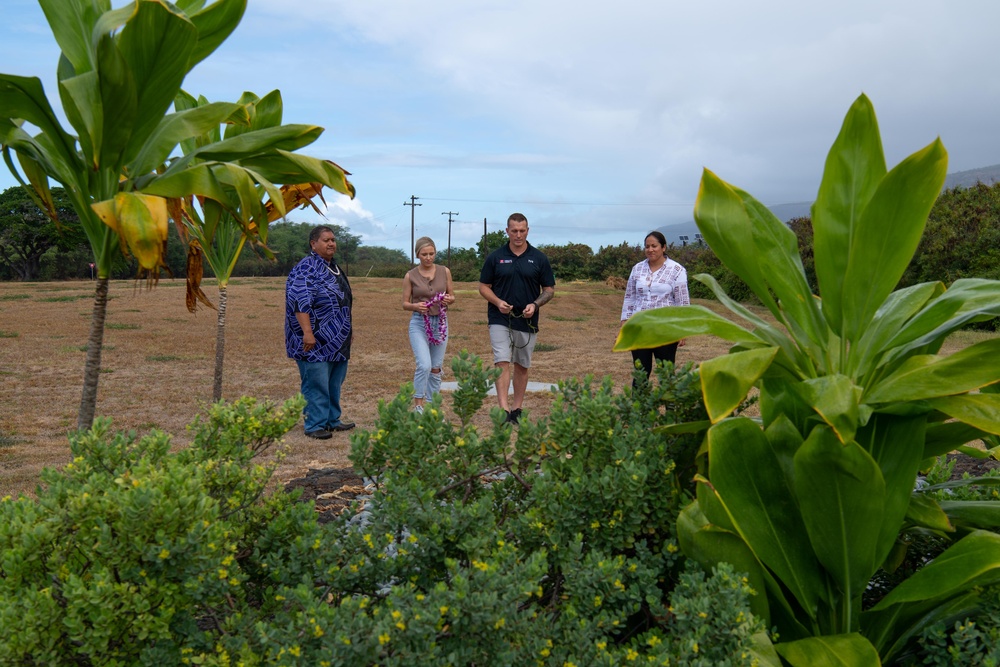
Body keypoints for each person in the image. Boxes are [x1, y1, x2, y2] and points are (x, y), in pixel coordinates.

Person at [478, 213, 556, 424]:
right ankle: (503, 409)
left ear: (528, 231)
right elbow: (483, 287)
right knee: (501, 360)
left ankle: (517, 408)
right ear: (507, 231)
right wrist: (497, 302)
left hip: (527, 319)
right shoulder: (495, 257)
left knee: (521, 365)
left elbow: (549, 290)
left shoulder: (539, 258)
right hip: (499, 317)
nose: (518, 235)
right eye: (514, 231)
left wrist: (535, 304)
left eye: (522, 231)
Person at [285, 225, 355, 438]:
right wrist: (307, 332)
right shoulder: (306, 268)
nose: (331, 243)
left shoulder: (332, 266)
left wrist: (348, 330)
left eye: (333, 239)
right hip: (312, 339)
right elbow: (299, 300)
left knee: (334, 381)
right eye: (326, 240)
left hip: (337, 339)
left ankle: (331, 419)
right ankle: (314, 424)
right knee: (316, 381)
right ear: (313, 244)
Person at [620, 230, 690, 379]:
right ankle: (639, 402)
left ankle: (670, 403)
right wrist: (625, 322)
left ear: (663, 247)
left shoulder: (677, 270)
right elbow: (630, 297)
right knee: (640, 373)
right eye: (647, 246)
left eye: (654, 246)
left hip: (665, 329)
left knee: (666, 373)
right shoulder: (637, 269)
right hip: (639, 328)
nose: (650, 250)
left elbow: (682, 301)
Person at [402, 237, 455, 413]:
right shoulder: (410, 275)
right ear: (418, 254)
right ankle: (418, 405)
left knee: (435, 367)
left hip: (440, 321)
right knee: (424, 365)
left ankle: (433, 406)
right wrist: (415, 306)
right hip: (419, 323)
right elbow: (405, 303)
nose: (428, 257)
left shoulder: (444, 271)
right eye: (424, 254)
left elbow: (452, 296)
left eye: (431, 253)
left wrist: (449, 299)